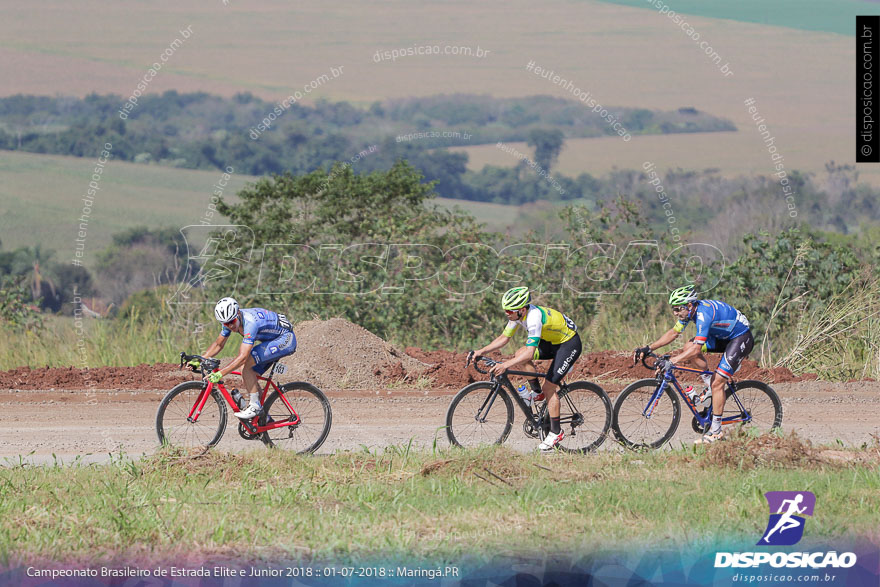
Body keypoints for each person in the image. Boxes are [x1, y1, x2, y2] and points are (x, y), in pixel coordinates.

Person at [633, 285, 753, 444]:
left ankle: (716, 432)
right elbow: (674, 333)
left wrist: (673, 360)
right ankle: (708, 385)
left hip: (740, 338)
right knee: (687, 347)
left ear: (689, 306)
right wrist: (648, 348)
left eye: (677, 309)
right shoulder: (689, 313)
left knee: (718, 382)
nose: (675, 313)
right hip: (722, 336)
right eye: (673, 310)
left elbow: (697, 349)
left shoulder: (703, 315)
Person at [467, 286, 582, 451]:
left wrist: (505, 365)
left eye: (509, 311)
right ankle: (537, 393)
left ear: (521, 310)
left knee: (549, 386)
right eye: (505, 310)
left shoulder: (533, 317)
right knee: (518, 353)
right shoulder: (517, 315)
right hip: (553, 342)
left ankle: (556, 432)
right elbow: (504, 337)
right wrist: (481, 351)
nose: (507, 314)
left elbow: (530, 354)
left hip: (569, 344)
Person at [195, 297, 296, 419]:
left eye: (231, 322)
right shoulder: (230, 320)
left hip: (285, 339)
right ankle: (264, 417)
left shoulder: (250, 323)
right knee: (248, 371)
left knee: (246, 365)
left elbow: (242, 357)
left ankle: (255, 406)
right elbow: (218, 344)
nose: (230, 326)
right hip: (271, 339)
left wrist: (220, 374)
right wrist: (199, 360)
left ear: (238, 313)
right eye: (226, 324)